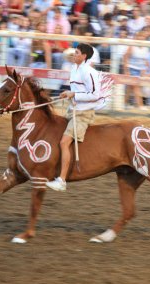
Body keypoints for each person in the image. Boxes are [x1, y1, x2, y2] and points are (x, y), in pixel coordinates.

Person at [46, 43, 103, 192]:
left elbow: (95, 95)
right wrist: (68, 93)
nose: (73, 55)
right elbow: (77, 90)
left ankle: (62, 180)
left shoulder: (89, 72)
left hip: (83, 114)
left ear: (84, 56)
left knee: (64, 142)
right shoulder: (74, 69)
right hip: (73, 110)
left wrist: (74, 95)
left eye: (76, 52)